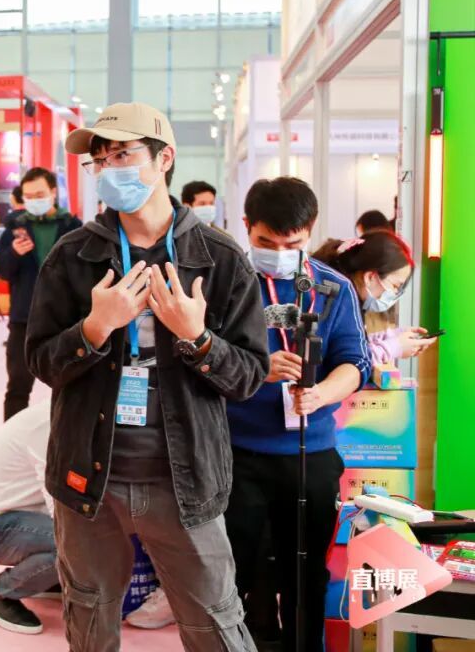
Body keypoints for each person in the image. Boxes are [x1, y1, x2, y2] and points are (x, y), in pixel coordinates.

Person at [28, 101, 270, 651]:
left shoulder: (219, 258)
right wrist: (95, 327)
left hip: (185, 479)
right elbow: (41, 362)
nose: (108, 169)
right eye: (99, 160)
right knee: (90, 621)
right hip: (89, 476)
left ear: (165, 159)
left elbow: (249, 376)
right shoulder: (74, 256)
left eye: (122, 154)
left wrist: (197, 338)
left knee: (215, 623)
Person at [225, 177, 371, 652]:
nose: (280, 254)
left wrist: (323, 393)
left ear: (310, 230)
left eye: (292, 244)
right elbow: (200, 358)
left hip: (310, 454)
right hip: (235, 453)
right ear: (247, 226)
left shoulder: (333, 288)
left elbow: (355, 362)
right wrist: (255, 368)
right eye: (266, 243)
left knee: (305, 577)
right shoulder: (225, 283)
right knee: (235, 576)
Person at [0, 167, 82, 420]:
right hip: (24, 318)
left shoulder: (73, 227)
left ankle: (66, 436)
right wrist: (14, 253)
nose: (34, 200)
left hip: (65, 320)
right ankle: (10, 438)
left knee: (69, 384)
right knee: (17, 386)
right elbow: (2, 270)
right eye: (29, 196)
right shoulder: (15, 227)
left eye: (40, 195)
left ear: (53, 192)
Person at [0, 400, 60, 635]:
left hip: (21, 518)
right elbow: (56, 496)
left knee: (82, 541)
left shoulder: (59, 414)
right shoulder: (46, 424)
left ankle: (47, 577)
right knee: (74, 545)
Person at [312, 232, 435, 364]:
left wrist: (389, 338)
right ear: (370, 277)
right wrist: (392, 348)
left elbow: (348, 343)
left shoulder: (346, 300)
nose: (395, 293)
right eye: (395, 286)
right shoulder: (340, 305)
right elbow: (349, 362)